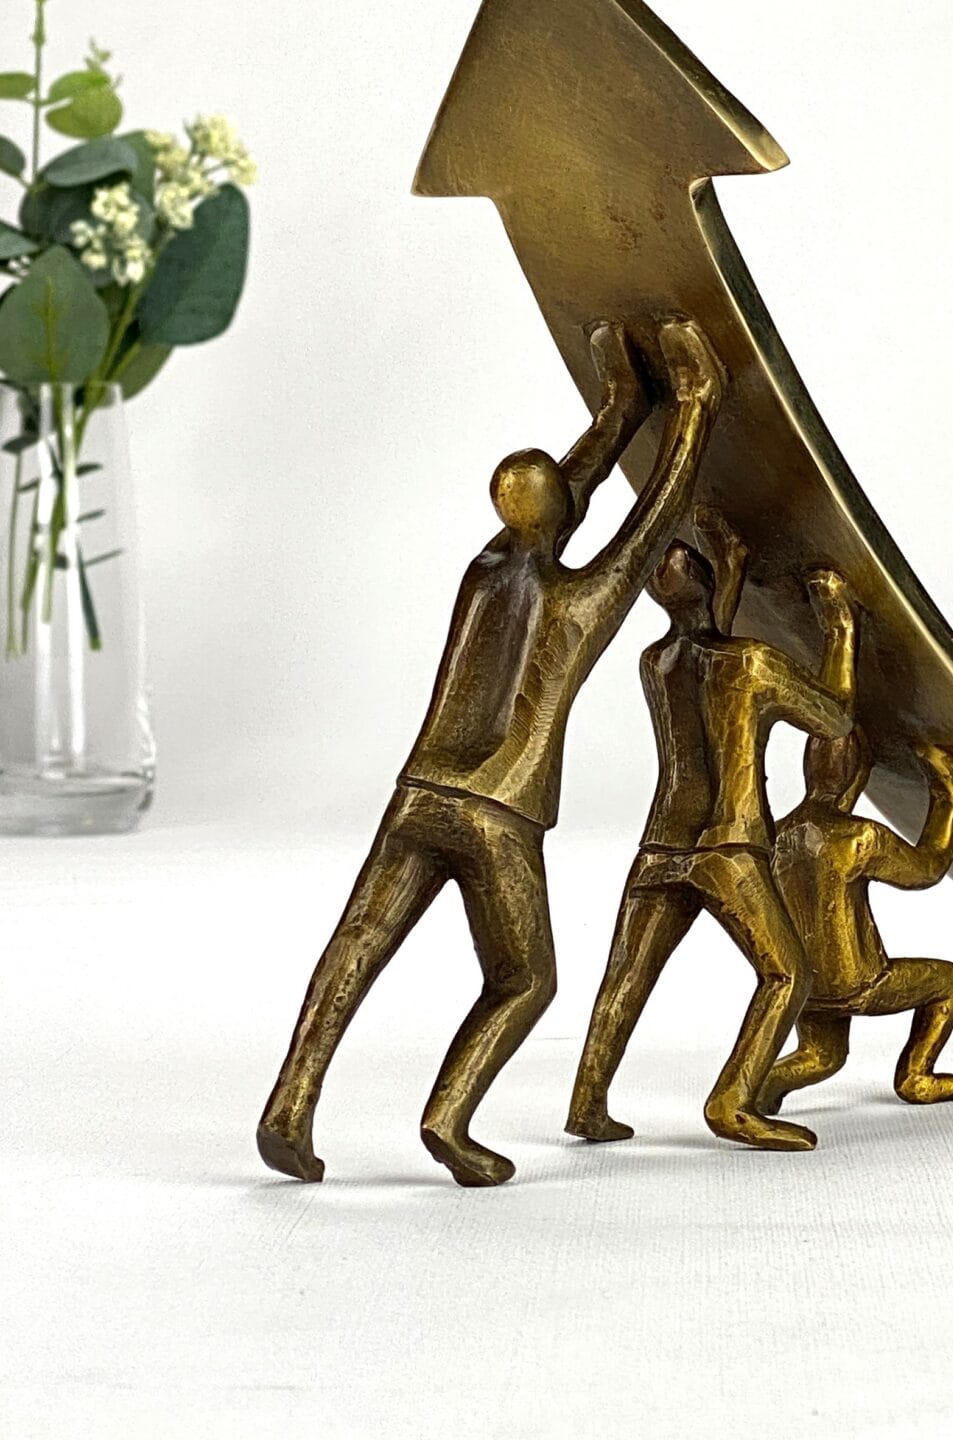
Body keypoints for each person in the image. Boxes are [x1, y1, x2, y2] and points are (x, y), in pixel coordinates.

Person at [257, 316, 724, 1187]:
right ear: (557, 519)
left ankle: (290, 1103)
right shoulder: (579, 605)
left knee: (358, 942)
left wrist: (619, 409)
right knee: (525, 980)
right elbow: (651, 519)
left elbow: (558, 498)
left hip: (419, 790)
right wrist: (694, 406)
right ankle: (448, 1118)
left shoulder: (485, 569)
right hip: (496, 811)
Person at [565, 512, 856, 1152]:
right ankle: (732, 1103)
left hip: (661, 845)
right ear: (709, 584)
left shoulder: (655, 663)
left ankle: (587, 1104)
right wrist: (839, 628)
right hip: (727, 845)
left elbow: (703, 636)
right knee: (788, 976)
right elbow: (835, 719)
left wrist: (732, 566)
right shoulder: (751, 662)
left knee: (626, 977)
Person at [760, 730, 953, 1115]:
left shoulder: (774, 835)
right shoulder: (858, 837)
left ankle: (760, 1090)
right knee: (949, 983)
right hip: (862, 981)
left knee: (822, 1056)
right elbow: (925, 870)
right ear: (857, 775)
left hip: (805, 986)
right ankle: (915, 1076)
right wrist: (949, 803)